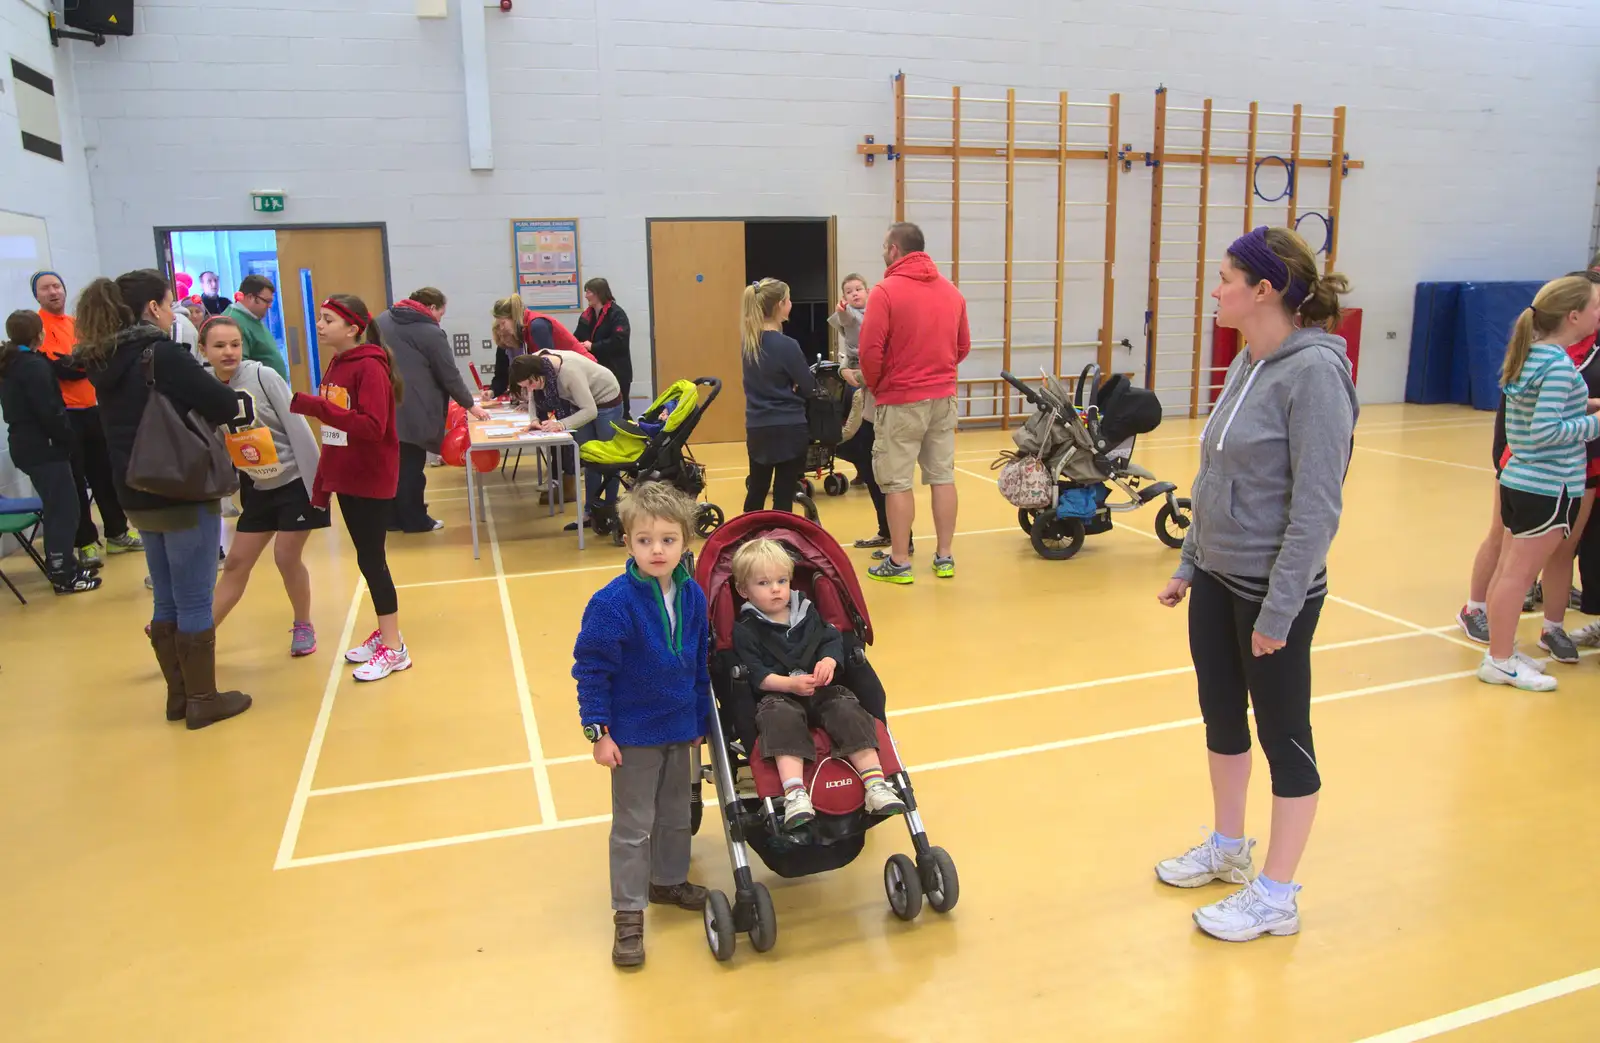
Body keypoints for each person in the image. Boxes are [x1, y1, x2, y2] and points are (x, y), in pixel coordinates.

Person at [1153, 226, 1358, 943]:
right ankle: (1230, 847)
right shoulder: (1249, 361)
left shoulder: (1315, 375)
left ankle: (1277, 894)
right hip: (1216, 575)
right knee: (1220, 714)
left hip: (1276, 592)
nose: (1216, 290)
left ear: (1264, 289)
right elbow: (1216, 475)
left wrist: (1278, 608)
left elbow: (1316, 507)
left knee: (1284, 733)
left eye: (1225, 277)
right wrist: (1189, 562)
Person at [77, 269, 251, 729]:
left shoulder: (102, 357)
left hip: (133, 488)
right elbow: (221, 402)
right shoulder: (161, 354)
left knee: (167, 598)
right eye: (170, 304)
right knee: (195, 596)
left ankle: (179, 696)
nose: (174, 311)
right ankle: (203, 698)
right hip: (179, 483)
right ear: (153, 308)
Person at [571, 482, 712, 967]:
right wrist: (599, 732)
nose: (657, 549)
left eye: (668, 540)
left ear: (684, 544)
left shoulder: (692, 596)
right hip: (632, 736)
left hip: (679, 728)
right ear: (628, 542)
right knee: (633, 828)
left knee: (675, 815)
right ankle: (628, 914)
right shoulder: (611, 604)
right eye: (646, 539)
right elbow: (591, 670)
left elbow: (698, 662)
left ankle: (667, 880)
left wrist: (698, 716)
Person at [1461, 268, 1600, 661]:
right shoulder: (1557, 365)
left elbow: (1536, 413)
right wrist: (1595, 423)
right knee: (1517, 577)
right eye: (1595, 307)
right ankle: (1501, 660)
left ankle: (1504, 652)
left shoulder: (1533, 354)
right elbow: (1544, 430)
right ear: (1573, 316)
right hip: (1545, 482)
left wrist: (1587, 406)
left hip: (1523, 478)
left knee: (1511, 572)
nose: (1599, 315)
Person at [730, 538, 907, 829]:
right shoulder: (746, 630)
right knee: (778, 718)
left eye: (781, 580)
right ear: (743, 591)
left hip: (822, 690)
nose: (775, 589)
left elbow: (830, 639)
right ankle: (795, 792)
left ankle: (875, 783)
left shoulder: (807, 612)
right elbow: (756, 673)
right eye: (763, 583)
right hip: (780, 695)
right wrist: (789, 685)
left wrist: (829, 662)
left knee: (848, 709)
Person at [290, 295, 411, 682]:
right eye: (320, 319)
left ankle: (395, 648)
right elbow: (336, 430)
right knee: (365, 558)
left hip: (370, 476)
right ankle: (386, 631)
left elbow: (373, 427)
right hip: (347, 474)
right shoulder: (338, 364)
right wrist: (325, 477)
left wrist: (317, 407)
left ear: (354, 327)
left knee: (373, 560)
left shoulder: (370, 368)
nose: (320, 326)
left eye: (327, 319)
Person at [201, 316, 327, 657]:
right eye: (219, 346)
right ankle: (198, 639)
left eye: (235, 344)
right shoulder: (205, 386)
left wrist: (318, 485)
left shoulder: (262, 376)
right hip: (257, 487)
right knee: (236, 563)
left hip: (294, 483)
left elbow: (297, 428)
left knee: (286, 557)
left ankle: (303, 624)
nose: (229, 352)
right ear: (204, 350)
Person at [858, 223, 970, 584]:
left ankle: (900, 560)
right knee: (942, 476)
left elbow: (869, 351)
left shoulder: (885, 292)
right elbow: (962, 345)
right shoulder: (952, 292)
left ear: (893, 249)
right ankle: (945, 556)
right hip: (943, 398)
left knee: (897, 481)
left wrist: (879, 386)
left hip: (900, 400)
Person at [31, 270, 141, 566]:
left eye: (57, 286)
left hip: (93, 409)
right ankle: (86, 543)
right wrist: (89, 360)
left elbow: (97, 357)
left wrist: (87, 360)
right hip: (66, 415)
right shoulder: (38, 327)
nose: (53, 292)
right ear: (37, 295)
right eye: (45, 289)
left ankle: (117, 533)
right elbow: (62, 367)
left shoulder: (76, 324)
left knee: (105, 475)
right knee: (76, 481)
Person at [375, 287, 489, 534]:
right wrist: (471, 405)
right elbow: (449, 373)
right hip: (415, 407)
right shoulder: (430, 332)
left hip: (385, 404)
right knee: (412, 469)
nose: (440, 319)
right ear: (432, 308)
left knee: (393, 465)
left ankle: (392, 519)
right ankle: (415, 520)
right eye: (441, 313)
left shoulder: (382, 320)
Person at [0, 310, 99, 594]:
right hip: (43, 446)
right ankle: (62, 573)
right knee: (63, 510)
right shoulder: (32, 366)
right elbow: (50, 411)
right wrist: (68, 440)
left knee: (61, 507)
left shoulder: (12, 363)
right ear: (39, 335)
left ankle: (64, 564)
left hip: (27, 444)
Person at [510, 349, 624, 530]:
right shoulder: (533, 365)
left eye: (531, 383)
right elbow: (533, 396)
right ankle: (590, 513)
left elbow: (591, 410)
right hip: (581, 403)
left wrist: (561, 424)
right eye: (525, 386)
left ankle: (612, 513)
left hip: (605, 401)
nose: (530, 389)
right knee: (589, 458)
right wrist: (534, 420)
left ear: (538, 374)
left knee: (608, 459)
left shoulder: (568, 372)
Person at [829, 273, 898, 552]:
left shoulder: (877, 317)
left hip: (882, 402)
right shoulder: (849, 315)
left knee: (885, 472)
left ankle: (898, 536)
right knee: (868, 464)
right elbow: (844, 326)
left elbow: (877, 365)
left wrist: (854, 373)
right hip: (866, 395)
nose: (855, 294)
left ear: (869, 291)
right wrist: (843, 369)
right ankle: (888, 531)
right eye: (849, 291)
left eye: (859, 289)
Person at [740, 278, 816, 515]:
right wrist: (795, 383)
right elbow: (809, 386)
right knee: (783, 494)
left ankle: (747, 539)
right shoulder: (788, 345)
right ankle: (779, 543)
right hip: (788, 426)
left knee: (757, 491)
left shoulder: (749, 344)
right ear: (781, 304)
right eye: (789, 299)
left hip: (758, 427)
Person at [574, 278, 633, 418]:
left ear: (599, 293)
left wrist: (593, 346)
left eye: (589, 292)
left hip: (617, 370)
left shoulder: (617, 314)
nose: (586, 296)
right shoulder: (587, 315)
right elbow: (577, 337)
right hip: (596, 371)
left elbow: (619, 342)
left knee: (620, 412)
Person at [491, 293, 597, 361]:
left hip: (584, 368)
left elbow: (549, 364)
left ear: (513, 317)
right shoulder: (525, 329)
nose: (502, 328)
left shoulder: (537, 325)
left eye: (503, 323)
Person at [225, 274, 288, 380]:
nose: (270, 306)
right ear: (250, 297)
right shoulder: (232, 322)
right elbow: (239, 367)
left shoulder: (252, 318)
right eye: (267, 301)